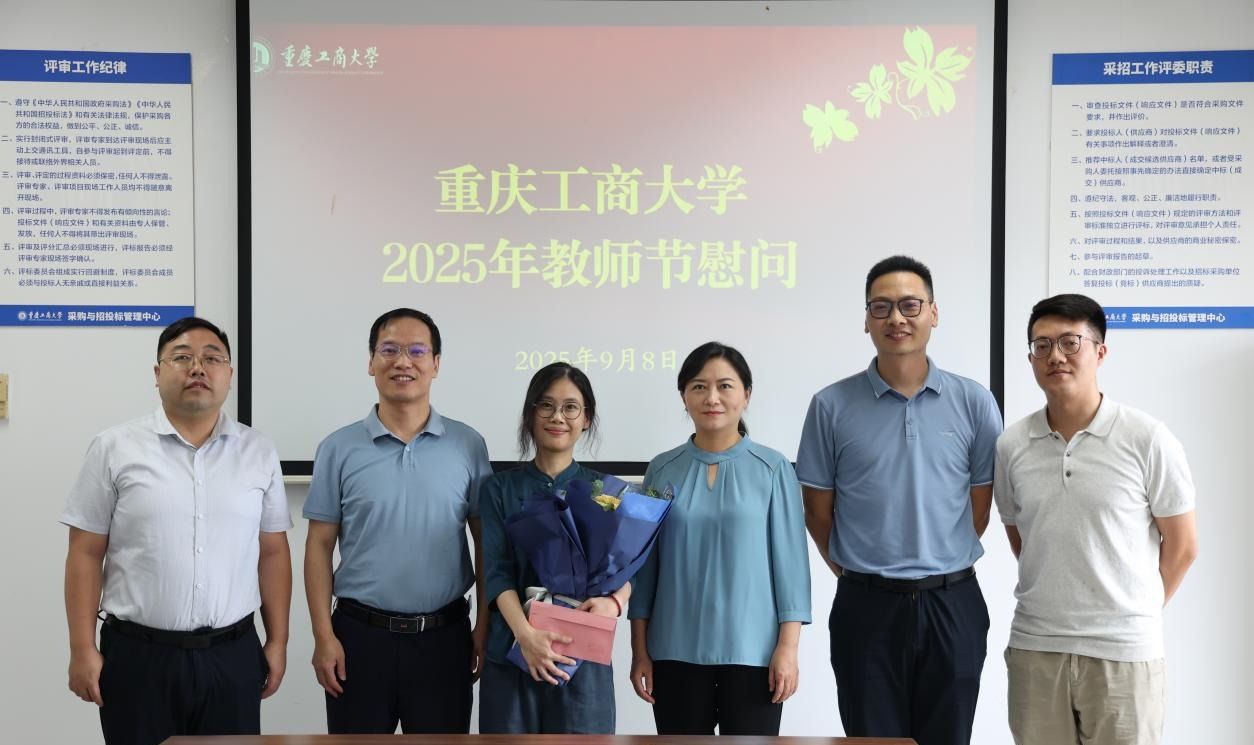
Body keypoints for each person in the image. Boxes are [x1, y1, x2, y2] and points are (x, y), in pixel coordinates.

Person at [796, 255, 1002, 745]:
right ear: (866, 319)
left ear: (934, 313)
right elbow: (818, 513)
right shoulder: (830, 405)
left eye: (910, 305)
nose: (896, 318)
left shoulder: (974, 402)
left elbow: (979, 509)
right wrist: (863, 573)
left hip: (953, 603)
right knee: (872, 739)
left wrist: (934, 559)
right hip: (866, 606)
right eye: (881, 307)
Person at [61, 316, 292, 745]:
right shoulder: (113, 447)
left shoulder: (258, 450)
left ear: (229, 375)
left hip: (233, 655)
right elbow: (85, 553)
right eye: (182, 357)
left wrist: (278, 640)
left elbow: (274, 551)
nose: (197, 368)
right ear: (157, 373)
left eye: (212, 358)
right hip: (138, 657)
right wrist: (81, 647)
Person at [994, 294, 1197, 745]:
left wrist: (1134, 609)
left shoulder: (1147, 438)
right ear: (1031, 358)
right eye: (1042, 345)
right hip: (1036, 649)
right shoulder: (1012, 445)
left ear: (1100, 351)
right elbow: (1022, 537)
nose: (1055, 356)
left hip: (1124, 655)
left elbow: (1183, 547)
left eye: (1070, 342)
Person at [303, 308, 493, 734]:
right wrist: (323, 636)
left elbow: (485, 542)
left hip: (444, 638)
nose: (402, 362)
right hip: (358, 638)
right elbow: (319, 545)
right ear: (371, 362)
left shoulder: (468, 445)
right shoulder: (338, 447)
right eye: (389, 350)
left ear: (436, 364)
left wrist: (483, 624)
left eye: (417, 351)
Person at [629, 341, 811, 736]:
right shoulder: (662, 468)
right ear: (684, 396)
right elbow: (645, 569)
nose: (712, 397)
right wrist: (639, 650)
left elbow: (791, 567)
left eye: (725, 386)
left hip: (754, 654)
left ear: (747, 394)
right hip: (673, 650)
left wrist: (788, 648)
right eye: (699, 386)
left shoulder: (773, 468)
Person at [477, 362, 628, 733]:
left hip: (582, 657)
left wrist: (614, 603)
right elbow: (496, 573)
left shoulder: (606, 491)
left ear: (586, 418)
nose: (557, 417)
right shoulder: (499, 489)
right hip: (512, 653)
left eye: (570, 407)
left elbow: (627, 567)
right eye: (545, 405)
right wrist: (526, 636)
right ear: (530, 414)